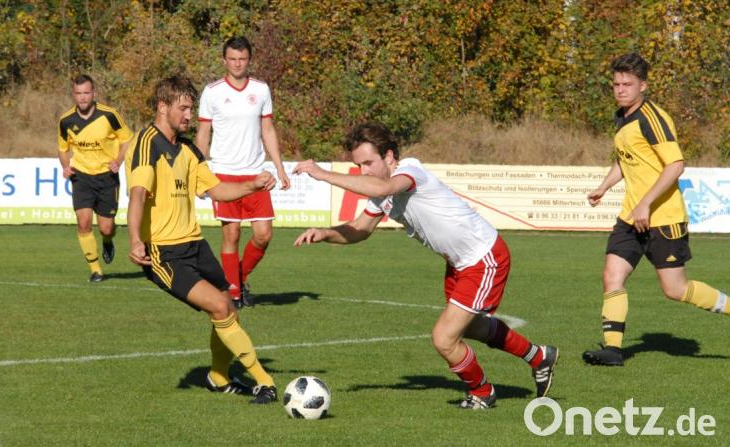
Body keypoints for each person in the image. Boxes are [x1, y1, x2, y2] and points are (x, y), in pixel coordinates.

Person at [292, 122, 558, 410]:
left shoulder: (410, 171)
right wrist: (325, 233)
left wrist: (321, 173)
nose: (363, 171)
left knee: (444, 338)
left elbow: (383, 185)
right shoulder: (381, 194)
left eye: (368, 163)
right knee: (471, 328)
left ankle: (482, 393)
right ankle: (538, 356)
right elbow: (361, 228)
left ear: (390, 157)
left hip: (483, 257)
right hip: (458, 263)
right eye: (358, 166)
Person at [125, 75, 278, 404]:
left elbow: (216, 190)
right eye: (182, 109)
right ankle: (265, 383)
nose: (188, 116)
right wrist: (135, 239)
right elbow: (137, 194)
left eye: (191, 109)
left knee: (228, 311)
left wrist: (252, 185)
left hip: (195, 245)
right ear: (162, 107)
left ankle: (218, 378)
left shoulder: (188, 149)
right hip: (164, 254)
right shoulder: (146, 144)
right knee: (222, 306)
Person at [582, 53, 729, 366]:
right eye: (616, 84)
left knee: (675, 289)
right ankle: (613, 350)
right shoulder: (621, 116)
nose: (620, 90)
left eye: (627, 84)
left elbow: (676, 165)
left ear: (643, 86)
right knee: (612, 275)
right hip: (630, 218)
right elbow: (625, 159)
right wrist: (604, 186)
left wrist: (646, 203)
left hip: (664, 219)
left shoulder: (652, 118)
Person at [196, 36, 291, 308]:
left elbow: (268, 129)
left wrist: (280, 167)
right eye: (233, 59)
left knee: (263, 234)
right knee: (232, 235)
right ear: (224, 60)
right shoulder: (212, 92)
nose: (237, 63)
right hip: (224, 173)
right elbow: (203, 134)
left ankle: (237, 277)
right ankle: (234, 293)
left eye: (242, 59)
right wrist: (199, 171)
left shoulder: (261, 90)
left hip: (256, 175)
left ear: (249, 60)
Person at [58, 74, 134, 282]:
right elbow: (62, 148)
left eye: (86, 93)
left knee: (106, 228)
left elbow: (127, 140)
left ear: (94, 93)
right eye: (78, 93)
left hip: (107, 177)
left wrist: (118, 161)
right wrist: (66, 166)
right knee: (83, 223)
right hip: (81, 177)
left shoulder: (109, 115)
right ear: (73, 95)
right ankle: (95, 270)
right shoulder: (66, 120)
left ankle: (107, 241)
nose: (83, 97)